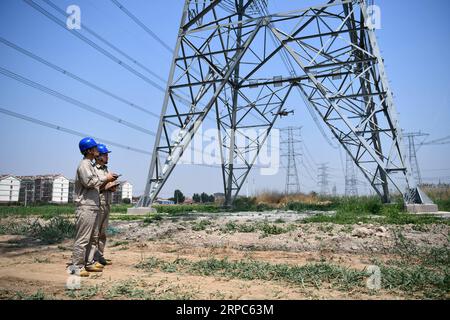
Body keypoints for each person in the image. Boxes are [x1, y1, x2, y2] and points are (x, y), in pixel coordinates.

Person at [70, 137, 117, 277]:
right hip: (86, 206)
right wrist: (106, 179)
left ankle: (89, 263)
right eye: (95, 148)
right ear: (89, 150)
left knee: (93, 237)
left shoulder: (89, 165)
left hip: (93, 206)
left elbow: (95, 183)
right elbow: (89, 182)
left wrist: (108, 183)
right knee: (83, 238)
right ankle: (77, 267)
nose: (97, 150)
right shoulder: (84, 165)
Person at [94, 144, 116, 266]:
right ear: (99, 156)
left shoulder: (105, 170)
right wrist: (107, 184)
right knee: (95, 232)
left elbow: (105, 184)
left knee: (103, 232)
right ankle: (93, 257)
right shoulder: (94, 170)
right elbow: (94, 186)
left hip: (107, 203)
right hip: (98, 203)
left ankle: (100, 255)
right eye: (105, 154)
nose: (107, 156)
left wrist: (111, 187)